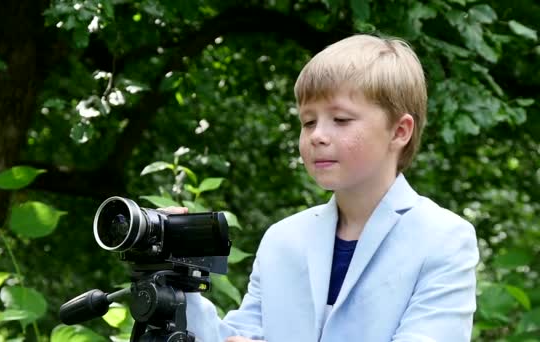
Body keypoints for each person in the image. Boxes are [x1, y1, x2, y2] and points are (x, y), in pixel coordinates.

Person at [164, 34, 479, 342]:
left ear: (399, 131)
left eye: (340, 119)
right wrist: (177, 281)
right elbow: (237, 337)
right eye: (308, 122)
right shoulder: (282, 240)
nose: (317, 136)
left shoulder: (443, 238)